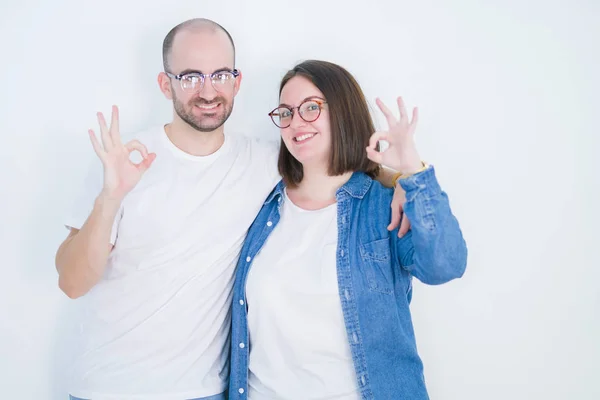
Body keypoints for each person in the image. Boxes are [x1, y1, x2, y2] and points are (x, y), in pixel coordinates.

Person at [55, 19, 408, 400]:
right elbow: (71, 283)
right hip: (109, 388)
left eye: (220, 74)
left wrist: (403, 178)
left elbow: (337, 168)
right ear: (165, 83)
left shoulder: (266, 161)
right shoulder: (125, 160)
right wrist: (110, 198)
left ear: (237, 82)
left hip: (204, 392)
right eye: (190, 77)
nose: (208, 91)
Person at [228, 60, 468, 400]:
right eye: (286, 112)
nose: (296, 122)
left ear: (343, 111)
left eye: (311, 108)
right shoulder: (261, 202)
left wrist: (412, 174)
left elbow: (446, 264)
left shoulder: (383, 206)